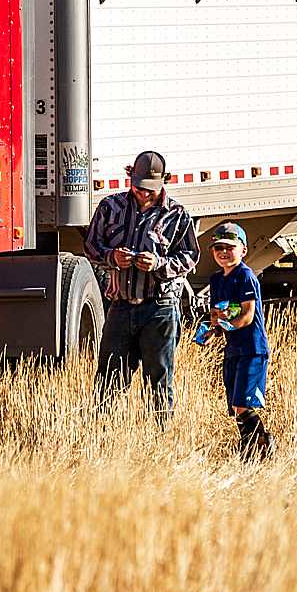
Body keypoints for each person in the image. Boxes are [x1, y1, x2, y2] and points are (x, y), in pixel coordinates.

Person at [84, 150, 198, 425]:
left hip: (159, 308)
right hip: (121, 306)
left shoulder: (178, 215)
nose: (143, 192)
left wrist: (158, 264)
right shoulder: (110, 207)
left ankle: (159, 433)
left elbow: (190, 257)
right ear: (129, 178)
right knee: (109, 379)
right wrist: (112, 257)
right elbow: (91, 246)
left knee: (158, 379)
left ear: (163, 182)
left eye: (149, 188)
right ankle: (103, 431)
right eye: (138, 186)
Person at [204, 221, 273, 459]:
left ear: (243, 250)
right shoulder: (216, 280)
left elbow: (246, 316)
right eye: (218, 248)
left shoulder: (245, 276)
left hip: (252, 348)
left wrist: (224, 325)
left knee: (243, 403)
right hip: (233, 349)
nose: (223, 252)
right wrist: (211, 331)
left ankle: (262, 443)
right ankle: (249, 448)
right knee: (235, 405)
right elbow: (217, 314)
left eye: (229, 247)